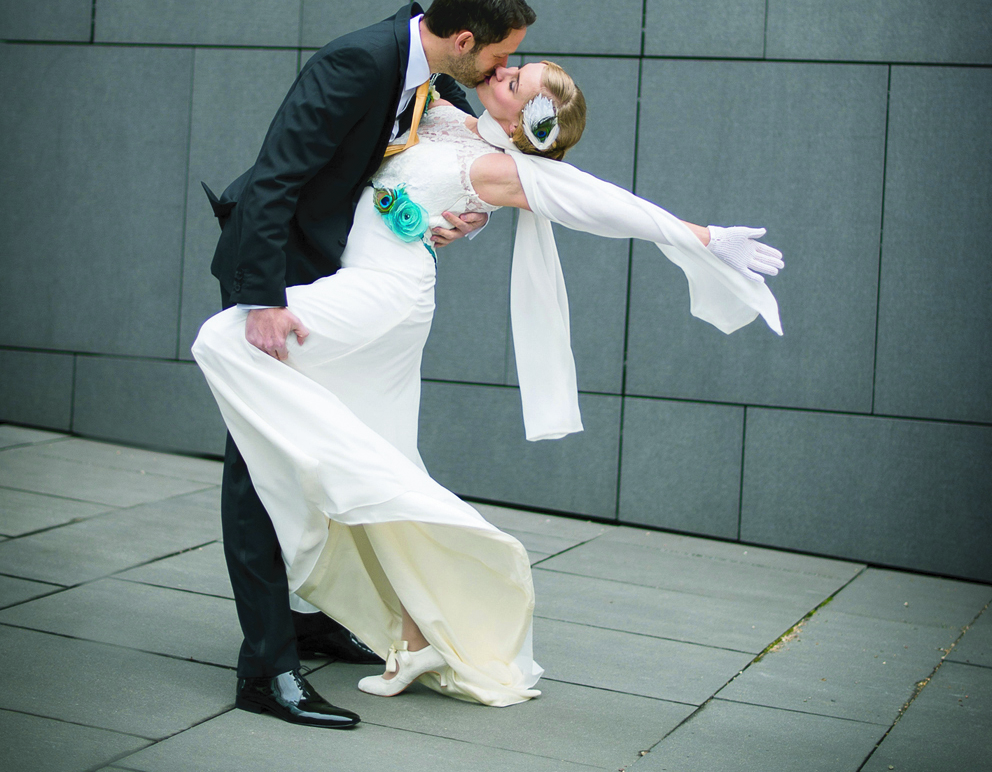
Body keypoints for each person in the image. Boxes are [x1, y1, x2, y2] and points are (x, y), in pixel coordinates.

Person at [193, 55, 784, 711]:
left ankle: (323, 477)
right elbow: (405, 105)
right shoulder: (449, 117)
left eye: (517, 83)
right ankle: (419, 636)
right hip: (365, 293)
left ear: (525, 122)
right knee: (395, 464)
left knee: (225, 338)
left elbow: (596, 201)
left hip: (383, 297)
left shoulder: (503, 168)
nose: (503, 73)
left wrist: (703, 238)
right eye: (515, 67)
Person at [200, 0, 536, 727]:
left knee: (332, 450)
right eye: (499, 56)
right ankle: (267, 670)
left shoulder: (436, 82)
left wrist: (459, 218)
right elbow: (279, 171)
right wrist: (261, 300)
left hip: (338, 281)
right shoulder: (359, 61)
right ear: (462, 39)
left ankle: (309, 619)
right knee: (258, 466)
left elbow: (407, 172)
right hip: (278, 275)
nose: (501, 71)